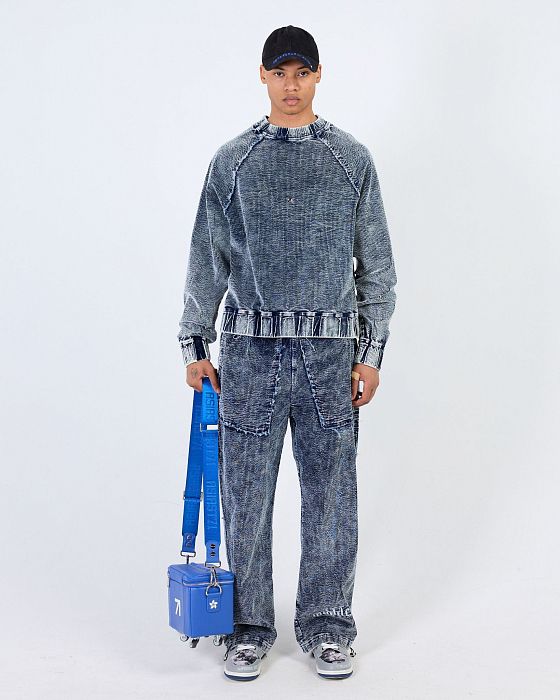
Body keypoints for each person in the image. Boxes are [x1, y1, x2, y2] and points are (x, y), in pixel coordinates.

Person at [177, 24, 397, 681]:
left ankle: (327, 625)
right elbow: (206, 257)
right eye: (280, 72)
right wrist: (195, 342)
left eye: (302, 72)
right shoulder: (233, 161)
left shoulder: (350, 160)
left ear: (319, 75)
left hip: (331, 355)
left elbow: (377, 266)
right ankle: (247, 628)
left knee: (332, 496)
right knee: (244, 496)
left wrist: (371, 352)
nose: (291, 84)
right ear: (263, 76)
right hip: (250, 354)